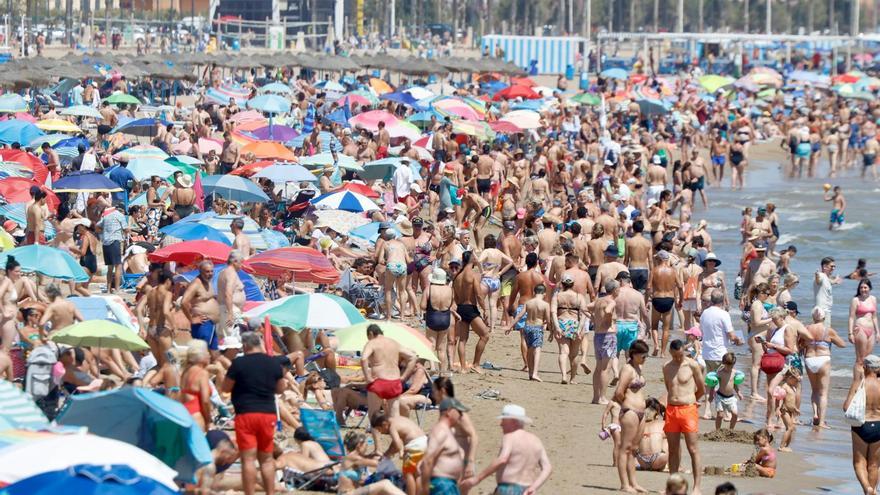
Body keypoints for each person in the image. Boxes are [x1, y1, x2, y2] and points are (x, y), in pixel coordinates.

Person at [221, 332, 284, 495]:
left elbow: (226, 388)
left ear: (245, 345)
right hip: (267, 414)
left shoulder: (238, 363)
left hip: (246, 414)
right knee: (267, 458)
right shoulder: (273, 363)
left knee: (248, 459)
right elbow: (280, 389)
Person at [460, 404, 552, 495]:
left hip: (508, 489)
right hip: (527, 491)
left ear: (513, 421)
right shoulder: (536, 440)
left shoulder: (510, 437)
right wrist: (533, 487)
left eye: (504, 420)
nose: (501, 424)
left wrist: (477, 479)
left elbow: (502, 459)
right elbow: (548, 468)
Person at [662, 339, 705, 495]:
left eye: (680, 355)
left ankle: (697, 487)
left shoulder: (692, 365)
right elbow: (669, 388)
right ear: (671, 353)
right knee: (672, 450)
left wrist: (690, 401)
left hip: (688, 410)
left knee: (693, 449)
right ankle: (672, 487)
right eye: (675, 356)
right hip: (672, 410)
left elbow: (701, 389)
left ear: (683, 351)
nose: (678, 359)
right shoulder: (666, 366)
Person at [612, 340, 649, 494]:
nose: (645, 358)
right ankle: (624, 484)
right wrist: (627, 405)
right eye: (643, 355)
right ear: (634, 354)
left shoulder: (638, 368)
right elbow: (619, 391)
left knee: (634, 449)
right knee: (625, 447)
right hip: (630, 412)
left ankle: (634, 483)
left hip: (641, 413)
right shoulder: (627, 369)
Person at [361, 323, 417, 418]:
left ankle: (375, 433)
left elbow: (363, 359)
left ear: (370, 333)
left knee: (373, 416)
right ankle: (395, 432)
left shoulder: (372, 343)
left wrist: (368, 378)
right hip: (394, 382)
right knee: (395, 417)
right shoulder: (394, 343)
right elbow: (413, 357)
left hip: (379, 381)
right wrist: (403, 377)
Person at [803, 307, 846, 429]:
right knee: (823, 393)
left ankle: (815, 414)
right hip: (823, 359)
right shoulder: (828, 330)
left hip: (809, 359)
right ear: (824, 318)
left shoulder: (806, 329)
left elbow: (800, 342)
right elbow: (842, 344)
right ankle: (821, 422)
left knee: (814, 390)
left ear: (813, 317)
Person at [847, 354, 880, 495]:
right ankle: (871, 491)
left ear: (865, 367)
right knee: (874, 464)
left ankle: (867, 488)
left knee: (859, 463)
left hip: (861, 426)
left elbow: (846, 406)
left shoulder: (859, 383)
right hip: (879, 425)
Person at [420, 398, 468, 495]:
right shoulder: (440, 431)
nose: (461, 416)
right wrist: (425, 489)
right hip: (442, 485)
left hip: (448, 485)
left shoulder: (447, 431)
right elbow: (427, 460)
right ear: (449, 411)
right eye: (459, 412)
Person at [453, 251, 491, 373]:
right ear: (471, 260)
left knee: (463, 340)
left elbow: (457, 298)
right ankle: (476, 364)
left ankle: (463, 367)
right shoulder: (473, 275)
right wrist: (485, 309)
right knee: (485, 335)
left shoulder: (457, 276)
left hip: (461, 308)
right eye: (475, 257)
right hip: (471, 309)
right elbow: (479, 294)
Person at [371, 414, 427, 495]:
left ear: (384, 424)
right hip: (424, 441)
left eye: (380, 430)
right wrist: (386, 455)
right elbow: (394, 444)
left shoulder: (392, 427)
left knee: (408, 474)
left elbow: (397, 443)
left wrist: (401, 451)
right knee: (418, 473)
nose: (381, 433)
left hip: (414, 446)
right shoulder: (398, 419)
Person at [505, 284, 551, 382]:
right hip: (537, 327)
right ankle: (535, 373)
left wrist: (510, 326)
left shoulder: (528, 303)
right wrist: (552, 331)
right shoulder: (545, 305)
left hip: (527, 327)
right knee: (537, 350)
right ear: (544, 293)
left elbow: (519, 316)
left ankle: (530, 373)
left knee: (530, 350)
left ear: (534, 292)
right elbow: (548, 319)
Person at [551, 273, 589, 384]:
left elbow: (553, 312)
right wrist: (579, 328)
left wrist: (556, 327)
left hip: (562, 322)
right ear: (573, 284)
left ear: (562, 283)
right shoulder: (579, 297)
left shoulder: (557, 296)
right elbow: (583, 314)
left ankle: (563, 376)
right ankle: (572, 379)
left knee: (563, 352)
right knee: (575, 354)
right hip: (575, 324)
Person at [181, 260, 221, 353]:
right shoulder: (196, 284)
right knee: (201, 354)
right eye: (207, 271)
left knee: (214, 354)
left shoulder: (208, 281)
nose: (210, 274)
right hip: (203, 324)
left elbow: (203, 298)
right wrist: (191, 319)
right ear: (200, 271)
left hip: (212, 323)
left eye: (211, 271)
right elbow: (184, 302)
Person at [421, 267, 455, 373]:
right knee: (441, 348)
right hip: (445, 318)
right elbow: (452, 305)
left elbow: (422, 306)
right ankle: (442, 371)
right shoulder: (450, 289)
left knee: (431, 344)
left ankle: (432, 367)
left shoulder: (429, 289)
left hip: (432, 317)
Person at [648, 250, 681, 357]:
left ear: (659, 259)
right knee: (666, 328)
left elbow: (648, 287)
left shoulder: (654, 270)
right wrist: (680, 300)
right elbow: (680, 286)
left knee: (654, 326)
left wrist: (646, 300)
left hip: (657, 298)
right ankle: (662, 352)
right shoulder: (673, 271)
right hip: (669, 299)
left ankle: (656, 345)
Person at [592, 279, 620, 405]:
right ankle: (602, 397)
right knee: (605, 369)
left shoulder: (599, 300)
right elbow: (608, 311)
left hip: (598, 335)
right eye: (618, 288)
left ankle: (595, 396)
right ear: (614, 290)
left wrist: (595, 319)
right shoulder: (611, 301)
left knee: (598, 367)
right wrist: (607, 321)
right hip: (608, 335)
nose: (619, 290)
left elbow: (587, 307)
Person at [180, 339, 213, 432]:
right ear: (201, 356)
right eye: (207, 352)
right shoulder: (202, 373)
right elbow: (205, 400)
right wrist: (208, 420)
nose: (209, 355)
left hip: (183, 414)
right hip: (196, 417)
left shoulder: (185, 372)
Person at [850, 279, 879, 379]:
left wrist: (878, 332)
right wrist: (850, 333)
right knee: (860, 359)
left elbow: (874, 317)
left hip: (871, 331)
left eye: (865, 287)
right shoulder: (856, 300)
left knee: (868, 359)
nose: (863, 289)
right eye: (861, 287)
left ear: (869, 288)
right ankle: (857, 382)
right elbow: (851, 317)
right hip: (860, 329)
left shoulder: (873, 299)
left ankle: (865, 382)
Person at [96, 205, 128, 293]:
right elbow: (125, 229)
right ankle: (117, 289)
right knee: (118, 266)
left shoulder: (106, 216)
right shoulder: (120, 216)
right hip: (115, 241)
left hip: (105, 243)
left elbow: (97, 226)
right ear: (122, 211)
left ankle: (109, 288)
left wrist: (104, 232)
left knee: (110, 267)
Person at [217, 250, 246, 339]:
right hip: (229, 310)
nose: (242, 266)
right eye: (241, 262)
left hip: (224, 309)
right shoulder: (231, 273)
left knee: (224, 339)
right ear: (235, 261)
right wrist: (230, 313)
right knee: (234, 340)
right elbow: (228, 293)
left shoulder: (223, 272)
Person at [635, 398, 668, 472]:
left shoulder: (639, 424)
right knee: (668, 439)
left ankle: (646, 466)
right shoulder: (661, 423)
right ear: (656, 414)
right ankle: (667, 466)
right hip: (658, 459)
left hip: (641, 460)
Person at [713, 352, 742, 431]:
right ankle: (717, 431)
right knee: (720, 415)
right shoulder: (720, 372)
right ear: (723, 363)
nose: (729, 368)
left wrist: (739, 393)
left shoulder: (734, 373)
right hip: (720, 396)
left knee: (735, 414)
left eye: (731, 366)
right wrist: (713, 390)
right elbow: (714, 381)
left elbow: (735, 384)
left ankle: (731, 430)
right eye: (727, 365)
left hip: (731, 397)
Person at [814, 256, 841, 328]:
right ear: (824, 266)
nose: (833, 268)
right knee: (825, 333)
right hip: (822, 311)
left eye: (834, 266)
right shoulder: (821, 275)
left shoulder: (826, 278)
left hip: (823, 310)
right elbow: (818, 280)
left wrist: (835, 281)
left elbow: (829, 282)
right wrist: (817, 276)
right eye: (831, 266)